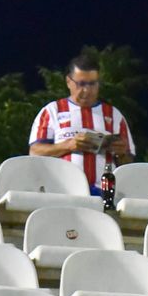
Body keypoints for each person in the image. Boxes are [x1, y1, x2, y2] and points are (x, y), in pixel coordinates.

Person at [29, 53, 135, 194]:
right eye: (81, 84)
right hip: (62, 190)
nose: (87, 90)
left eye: (92, 84)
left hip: (104, 193)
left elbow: (128, 164)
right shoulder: (52, 111)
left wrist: (121, 154)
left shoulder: (114, 115)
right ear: (68, 81)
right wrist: (69, 145)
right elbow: (35, 152)